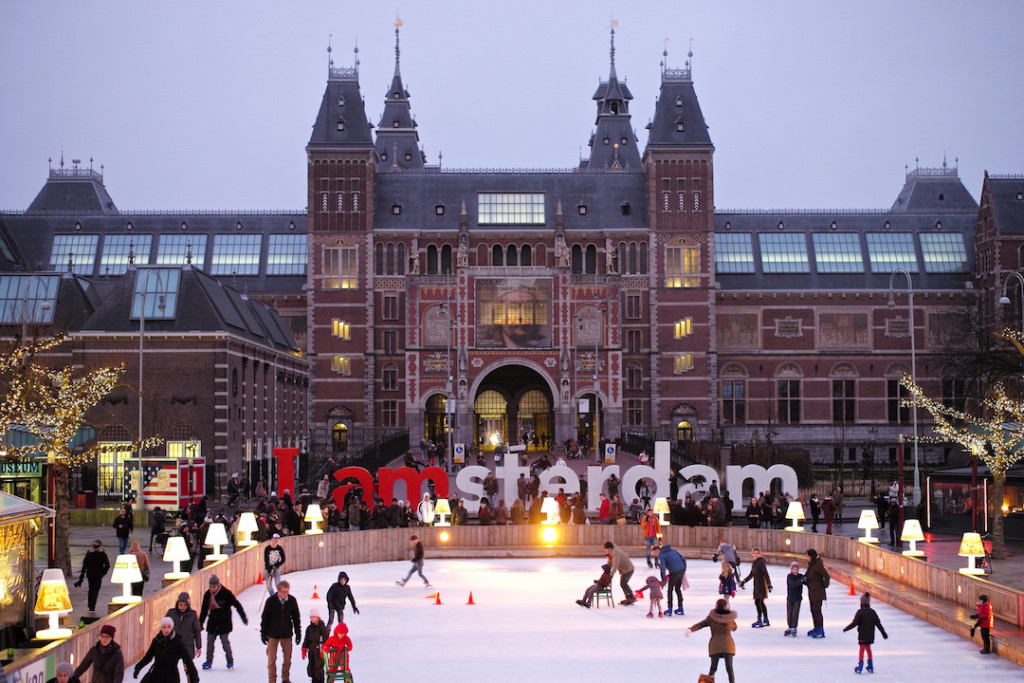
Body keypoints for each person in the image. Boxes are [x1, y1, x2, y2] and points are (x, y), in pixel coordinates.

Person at [199, 574, 247, 671]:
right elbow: (204, 610)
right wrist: (200, 623)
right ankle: (208, 661)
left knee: (225, 642)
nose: (212, 589)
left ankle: (230, 661)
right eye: (211, 587)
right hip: (213, 622)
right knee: (210, 642)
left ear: (218, 585)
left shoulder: (226, 593)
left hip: (224, 622)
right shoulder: (208, 594)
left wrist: (243, 617)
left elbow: (237, 605)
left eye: (214, 587)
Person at [686, 599, 738, 683]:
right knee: (729, 668)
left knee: (713, 668)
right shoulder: (729, 619)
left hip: (715, 645)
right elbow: (735, 628)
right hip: (727, 645)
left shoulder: (712, 617)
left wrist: (691, 629)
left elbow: (701, 624)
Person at [133, 617, 199, 683]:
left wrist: (193, 676)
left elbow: (187, 659)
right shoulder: (156, 641)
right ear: (161, 628)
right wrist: (138, 668)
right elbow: (148, 657)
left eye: (169, 627)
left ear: (172, 627)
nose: (166, 629)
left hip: (171, 676)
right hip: (156, 674)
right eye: (164, 627)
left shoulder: (177, 641)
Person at [260, 579, 302, 683]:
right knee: (271, 660)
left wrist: (298, 633)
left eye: (286, 591)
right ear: (278, 591)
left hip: (287, 635)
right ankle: (272, 679)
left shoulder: (292, 601)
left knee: (287, 659)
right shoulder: (271, 601)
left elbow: (296, 618)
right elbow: (265, 618)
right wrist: (263, 633)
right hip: (273, 635)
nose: (285, 594)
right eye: (283, 592)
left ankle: (285, 678)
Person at [843, 592, 888, 673]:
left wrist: (846, 628)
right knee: (868, 648)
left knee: (862, 649)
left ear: (862, 603)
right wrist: (883, 633)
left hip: (862, 634)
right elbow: (878, 624)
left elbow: (854, 623)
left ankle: (860, 666)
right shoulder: (872, 612)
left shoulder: (860, 612)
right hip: (870, 635)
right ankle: (870, 665)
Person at [739, 547, 773, 628]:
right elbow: (751, 574)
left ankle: (760, 620)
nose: (756, 555)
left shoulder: (761, 562)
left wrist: (769, 584)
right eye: (754, 553)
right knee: (761, 602)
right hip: (757, 585)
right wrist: (744, 581)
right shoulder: (755, 563)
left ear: (760, 554)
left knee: (758, 602)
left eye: (757, 553)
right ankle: (765, 619)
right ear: (752, 554)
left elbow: (765, 573)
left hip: (761, 585)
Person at [74, 539, 110, 613]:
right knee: (95, 591)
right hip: (98, 575)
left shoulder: (89, 554)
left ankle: (90, 605)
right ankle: (92, 606)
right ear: (100, 546)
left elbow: (84, 565)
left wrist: (82, 575)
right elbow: (107, 565)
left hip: (90, 574)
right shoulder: (102, 554)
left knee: (91, 589)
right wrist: (103, 573)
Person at [652, 544, 687, 616]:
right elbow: (683, 559)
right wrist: (683, 569)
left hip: (674, 572)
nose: (655, 555)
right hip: (681, 570)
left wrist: (663, 579)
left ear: (658, 550)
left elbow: (662, 568)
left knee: (670, 590)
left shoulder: (662, 555)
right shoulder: (673, 550)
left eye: (654, 553)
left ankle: (670, 609)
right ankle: (681, 608)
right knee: (677, 589)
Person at [165, 592, 202, 660]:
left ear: (188, 605)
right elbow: (164, 628)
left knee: (188, 667)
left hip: (187, 646)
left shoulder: (192, 615)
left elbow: (197, 631)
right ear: (177, 604)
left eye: (185, 605)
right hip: (174, 645)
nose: (182, 607)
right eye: (180, 605)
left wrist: (198, 647)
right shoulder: (171, 613)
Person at [804, 548, 830, 638]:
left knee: (817, 611)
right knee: (813, 610)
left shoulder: (818, 565)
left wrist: (824, 585)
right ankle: (816, 627)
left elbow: (826, 576)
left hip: (818, 592)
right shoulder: (812, 564)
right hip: (812, 591)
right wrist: (803, 579)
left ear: (811, 556)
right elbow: (807, 575)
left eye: (807, 555)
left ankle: (821, 629)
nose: (806, 557)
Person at [602, 541, 636, 605]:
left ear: (609, 548)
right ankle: (628, 597)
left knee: (623, 583)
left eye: (606, 550)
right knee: (623, 583)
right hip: (624, 570)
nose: (605, 551)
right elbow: (610, 562)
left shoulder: (616, 553)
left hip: (628, 569)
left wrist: (611, 575)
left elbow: (615, 565)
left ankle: (631, 597)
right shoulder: (611, 552)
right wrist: (606, 569)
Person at [301, 608, 329, 683]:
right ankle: (313, 680)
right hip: (311, 651)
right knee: (311, 667)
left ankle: (320, 680)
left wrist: (324, 649)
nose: (312, 619)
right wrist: (304, 648)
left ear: (318, 617)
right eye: (311, 617)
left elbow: (326, 640)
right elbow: (306, 639)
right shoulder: (309, 628)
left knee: (318, 668)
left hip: (320, 652)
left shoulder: (323, 629)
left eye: (314, 617)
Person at [784, 561, 804, 636]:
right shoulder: (789, 576)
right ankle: (789, 626)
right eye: (794, 569)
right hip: (790, 597)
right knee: (789, 612)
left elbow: (806, 580)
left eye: (797, 569)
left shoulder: (800, 576)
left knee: (795, 613)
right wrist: (801, 581)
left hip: (798, 598)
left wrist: (804, 579)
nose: (795, 571)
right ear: (791, 570)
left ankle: (794, 626)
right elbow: (793, 584)